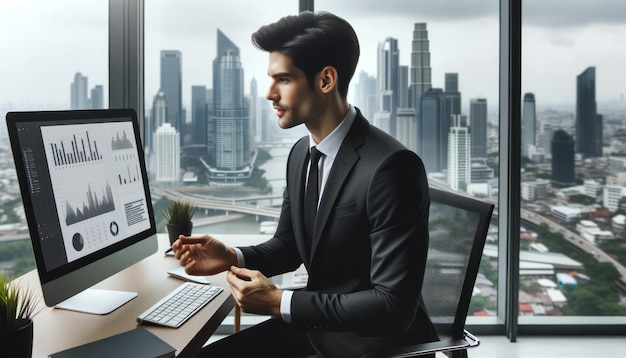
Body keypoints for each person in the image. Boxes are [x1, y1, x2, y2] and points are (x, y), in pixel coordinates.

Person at [173, 10, 436, 358]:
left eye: (283, 79)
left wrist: (281, 301)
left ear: (325, 80)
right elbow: (288, 246)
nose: (269, 93)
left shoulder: (392, 168)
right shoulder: (300, 154)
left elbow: (393, 308)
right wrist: (230, 256)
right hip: (315, 331)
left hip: (369, 346)